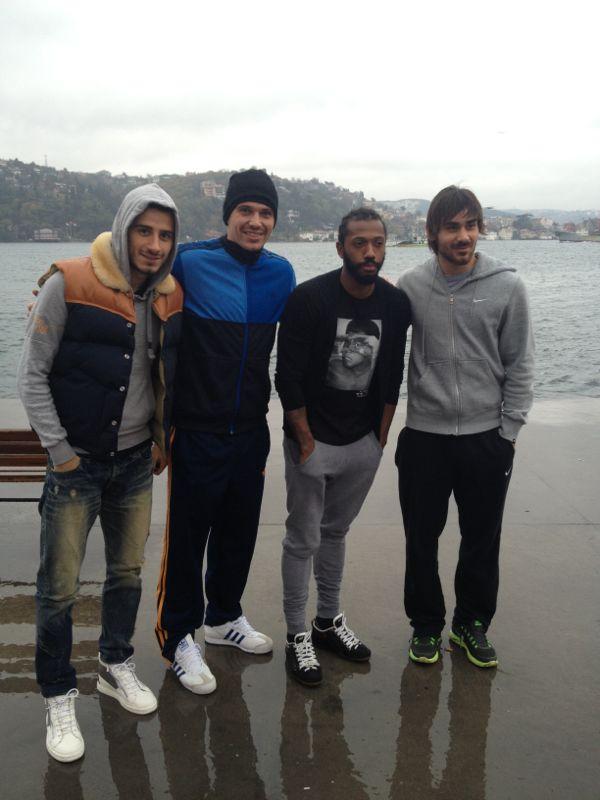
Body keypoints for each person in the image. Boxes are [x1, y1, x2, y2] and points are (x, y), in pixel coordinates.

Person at [17, 184, 183, 762]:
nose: (154, 244)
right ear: (124, 227)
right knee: (59, 586)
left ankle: (115, 664)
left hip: (135, 463)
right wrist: (60, 451)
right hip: (76, 465)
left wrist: (158, 438)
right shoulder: (69, 281)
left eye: (165, 235)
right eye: (145, 230)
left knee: (127, 573)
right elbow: (31, 375)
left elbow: (164, 374)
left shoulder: (169, 296)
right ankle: (57, 691)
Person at [155, 169, 295, 694]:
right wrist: (54, 290)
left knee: (239, 531)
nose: (255, 221)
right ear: (228, 215)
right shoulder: (190, 262)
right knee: (187, 539)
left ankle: (223, 618)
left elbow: (312, 321)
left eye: (265, 213)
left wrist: (378, 291)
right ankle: (177, 637)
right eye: (246, 211)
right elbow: (134, 282)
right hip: (196, 428)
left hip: (250, 429)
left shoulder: (281, 274)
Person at [395, 185, 534, 668]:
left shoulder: (508, 285)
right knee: (421, 538)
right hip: (425, 438)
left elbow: (520, 363)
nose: (463, 236)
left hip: (486, 438)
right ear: (432, 232)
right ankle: (425, 625)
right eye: (452, 227)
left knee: (481, 539)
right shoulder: (411, 286)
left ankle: (471, 624)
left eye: (471, 225)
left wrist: (508, 432)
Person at [275, 208, 411, 685]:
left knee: (335, 533)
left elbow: (392, 374)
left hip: (362, 443)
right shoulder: (308, 299)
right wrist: (304, 441)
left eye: (377, 243)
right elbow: (287, 376)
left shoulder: (396, 305)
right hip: (312, 442)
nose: (370, 252)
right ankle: (297, 635)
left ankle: (327, 622)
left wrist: (379, 439)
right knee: (302, 539)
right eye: (359, 243)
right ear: (340, 248)